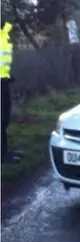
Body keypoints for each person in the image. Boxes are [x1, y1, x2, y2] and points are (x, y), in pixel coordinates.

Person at [1, 18, 20, 164]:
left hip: (3, 82)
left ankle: (5, 151)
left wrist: (7, 76)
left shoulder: (4, 35)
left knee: (5, 118)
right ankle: (2, 155)